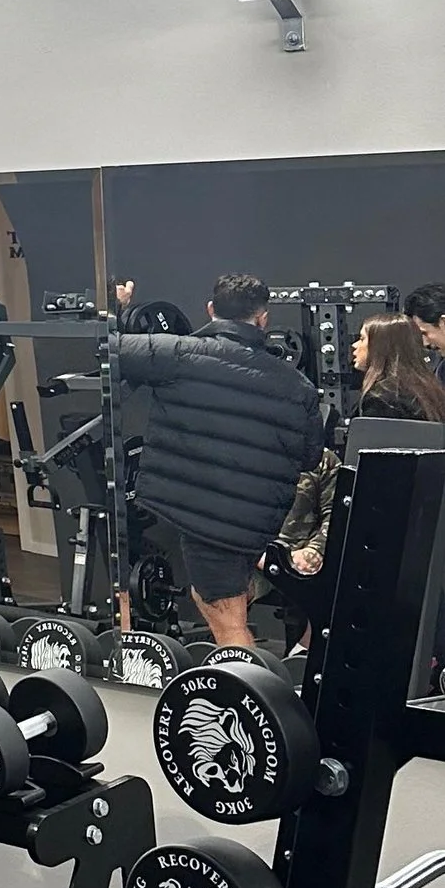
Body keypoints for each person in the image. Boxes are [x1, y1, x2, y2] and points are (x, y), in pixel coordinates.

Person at [116, 276, 325, 651]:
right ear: (263, 318)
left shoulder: (177, 353)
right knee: (225, 603)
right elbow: (310, 456)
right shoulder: (298, 385)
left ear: (211, 309)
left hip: (209, 519)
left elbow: (107, 348)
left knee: (226, 618)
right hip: (257, 522)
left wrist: (118, 308)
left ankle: (244, 686)